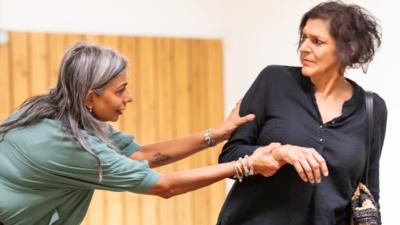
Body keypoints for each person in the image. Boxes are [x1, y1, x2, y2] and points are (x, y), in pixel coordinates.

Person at [0, 42, 287, 225]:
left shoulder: (47, 110)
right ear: (90, 97)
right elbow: (166, 186)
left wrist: (217, 133)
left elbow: (142, 154)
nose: (130, 97)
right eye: (120, 90)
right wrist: (246, 165)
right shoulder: (70, 145)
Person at [216, 1, 387, 225]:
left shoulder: (371, 109)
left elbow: (369, 193)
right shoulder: (273, 81)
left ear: (349, 49)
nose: (304, 47)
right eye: (304, 38)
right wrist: (279, 152)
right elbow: (229, 157)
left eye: (317, 42)